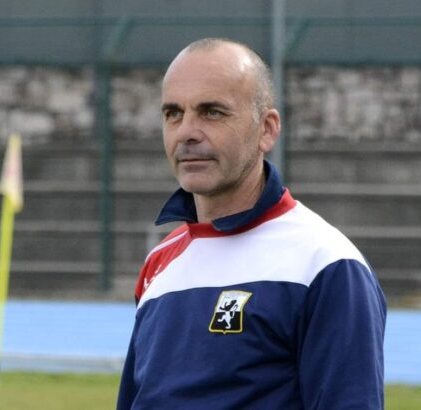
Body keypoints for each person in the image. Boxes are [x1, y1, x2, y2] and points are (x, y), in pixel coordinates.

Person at [117, 38, 386, 409]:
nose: (186, 132)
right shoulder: (159, 261)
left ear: (267, 129)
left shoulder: (325, 264)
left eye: (212, 112)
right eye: (173, 114)